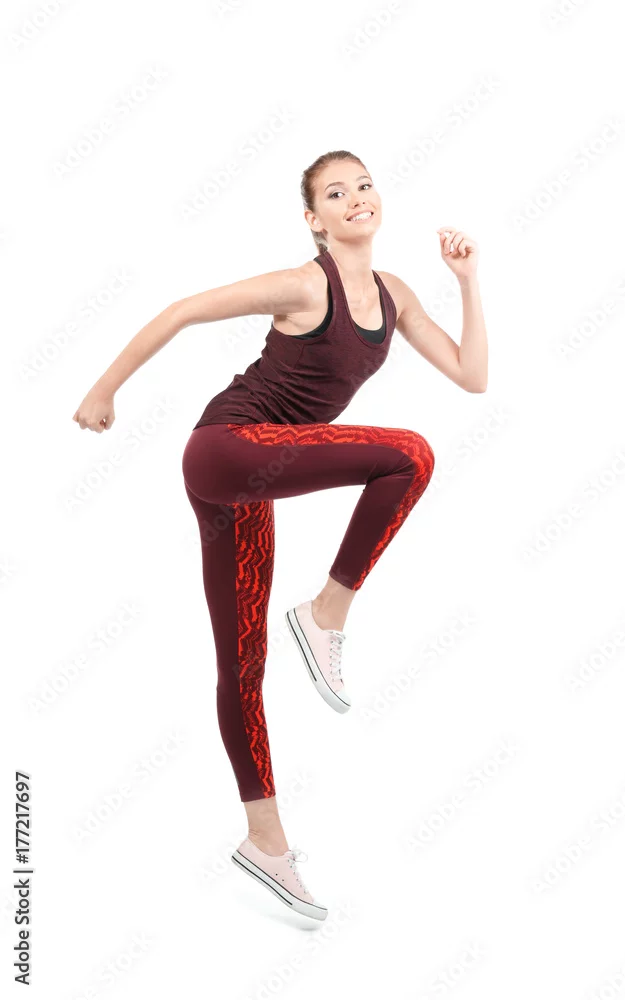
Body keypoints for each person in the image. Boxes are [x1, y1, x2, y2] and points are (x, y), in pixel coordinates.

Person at [72, 149, 487, 921]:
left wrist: (465, 281)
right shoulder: (303, 285)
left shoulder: (394, 295)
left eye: (364, 185)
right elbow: (182, 309)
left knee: (243, 662)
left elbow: (471, 375)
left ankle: (264, 842)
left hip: (248, 480)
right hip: (225, 447)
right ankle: (325, 614)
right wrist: (103, 390)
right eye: (335, 192)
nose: (356, 198)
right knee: (409, 454)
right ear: (313, 218)